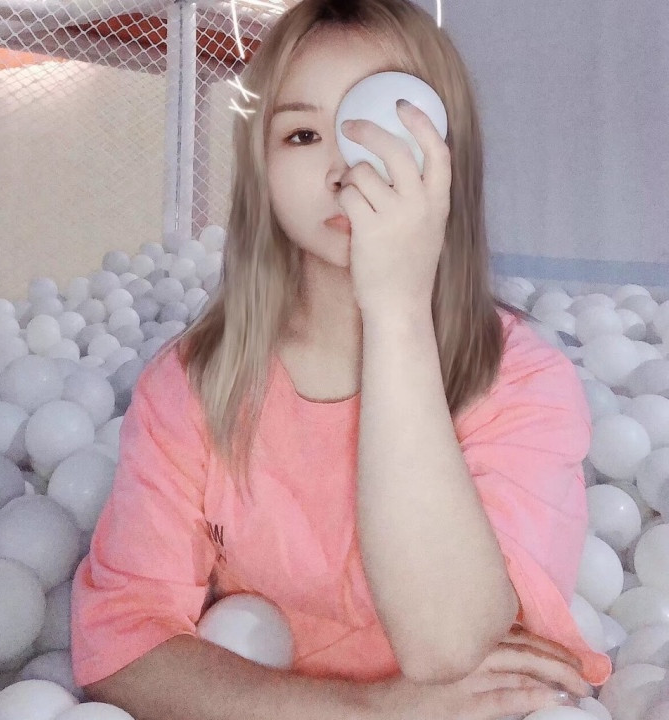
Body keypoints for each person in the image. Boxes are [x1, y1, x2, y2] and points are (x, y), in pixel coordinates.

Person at [70, 0, 613, 717]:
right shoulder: (193, 385)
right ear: (261, 168)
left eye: (385, 130)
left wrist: (396, 312)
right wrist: (372, 711)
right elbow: (121, 644)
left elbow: (449, 646)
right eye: (302, 134)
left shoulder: (522, 381)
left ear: (449, 155)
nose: (345, 172)